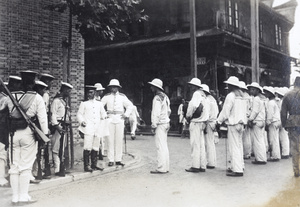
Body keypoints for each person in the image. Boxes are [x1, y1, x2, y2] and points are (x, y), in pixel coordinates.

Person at [0, 70, 48, 204]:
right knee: (26, 166)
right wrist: (44, 134)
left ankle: (15, 197)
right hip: (29, 134)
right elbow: (43, 119)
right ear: (33, 82)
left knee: (14, 166)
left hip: (13, 134)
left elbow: (3, 111)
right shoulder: (37, 97)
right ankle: (23, 196)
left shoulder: (9, 97)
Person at [217, 76, 247, 177]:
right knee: (239, 146)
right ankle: (240, 165)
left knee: (234, 147)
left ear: (231, 85)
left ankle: (237, 170)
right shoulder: (242, 96)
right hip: (241, 123)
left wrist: (219, 121)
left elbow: (226, 111)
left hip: (233, 124)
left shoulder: (231, 96)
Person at [101, 79, 133, 167]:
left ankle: (118, 159)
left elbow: (130, 106)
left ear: (118, 88)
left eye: (115, 87)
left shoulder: (122, 97)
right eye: (112, 87)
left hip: (119, 119)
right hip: (110, 119)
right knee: (110, 140)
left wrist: (126, 115)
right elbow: (100, 106)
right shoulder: (107, 97)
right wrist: (104, 114)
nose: (113, 89)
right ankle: (111, 159)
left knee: (119, 140)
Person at [77, 85, 107, 172]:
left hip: (97, 128)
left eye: (92, 92)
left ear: (95, 93)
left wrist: (104, 116)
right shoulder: (84, 104)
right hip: (88, 128)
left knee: (96, 146)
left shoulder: (99, 103)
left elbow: (103, 113)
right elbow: (79, 114)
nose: (90, 94)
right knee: (87, 146)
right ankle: (86, 166)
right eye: (88, 92)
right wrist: (82, 121)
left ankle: (94, 165)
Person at [185, 78, 209, 173]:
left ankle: (195, 166)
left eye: (192, 85)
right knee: (201, 145)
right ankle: (202, 165)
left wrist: (188, 116)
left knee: (195, 144)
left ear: (195, 86)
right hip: (203, 122)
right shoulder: (204, 95)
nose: (190, 87)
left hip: (196, 121)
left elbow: (193, 106)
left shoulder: (196, 94)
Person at [148, 78, 171, 174]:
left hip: (160, 124)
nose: (151, 87)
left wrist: (153, 125)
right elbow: (169, 111)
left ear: (155, 87)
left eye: (152, 86)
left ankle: (161, 167)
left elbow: (156, 113)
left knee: (160, 146)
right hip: (165, 122)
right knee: (164, 146)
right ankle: (166, 166)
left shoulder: (157, 98)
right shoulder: (165, 96)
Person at [50, 81, 73, 176]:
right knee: (55, 147)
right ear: (63, 90)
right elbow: (53, 114)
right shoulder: (56, 101)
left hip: (64, 126)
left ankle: (60, 168)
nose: (69, 93)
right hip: (58, 126)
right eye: (67, 91)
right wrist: (57, 126)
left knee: (62, 148)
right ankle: (57, 168)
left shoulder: (63, 101)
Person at [281, 77, 300, 177]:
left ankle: (296, 170)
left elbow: (283, 112)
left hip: (292, 122)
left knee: (295, 147)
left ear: (294, 83)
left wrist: (284, 124)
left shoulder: (287, 95)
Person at [39, 73, 55, 179]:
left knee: (45, 147)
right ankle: (42, 169)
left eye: (49, 82)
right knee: (42, 147)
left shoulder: (46, 93)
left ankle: (45, 169)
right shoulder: (43, 95)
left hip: (45, 121)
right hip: (42, 122)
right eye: (46, 81)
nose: (48, 84)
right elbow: (44, 111)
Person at [247, 82, 267, 165]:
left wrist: (250, 119)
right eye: (251, 89)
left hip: (257, 121)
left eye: (253, 89)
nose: (251, 91)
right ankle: (262, 157)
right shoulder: (261, 98)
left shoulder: (256, 99)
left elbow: (255, 111)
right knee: (260, 140)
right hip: (261, 121)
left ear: (257, 90)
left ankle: (260, 159)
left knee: (257, 141)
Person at [201, 84, 219, 169]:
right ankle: (212, 161)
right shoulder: (213, 100)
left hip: (208, 122)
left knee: (208, 143)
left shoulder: (206, 100)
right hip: (213, 121)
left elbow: (206, 113)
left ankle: (210, 162)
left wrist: (204, 123)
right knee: (211, 143)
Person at [263, 87, 281, 162]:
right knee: (275, 139)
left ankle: (274, 156)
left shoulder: (270, 103)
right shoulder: (274, 102)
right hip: (277, 121)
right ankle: (276, 155)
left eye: (267, 92)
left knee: (272, 140)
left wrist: (267, 123)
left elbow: (270, 115)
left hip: (273, 122)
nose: (265, 94)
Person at [275, 88, 290, 159]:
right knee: (284, 137)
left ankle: (285, 153)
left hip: (282, 119)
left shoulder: (281, 102)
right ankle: (285, 152)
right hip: (284, 119)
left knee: (283, 137)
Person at [239, 81, 252, 160]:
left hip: (243, 117)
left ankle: (246, 153)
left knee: (244, 137)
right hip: (247, 116)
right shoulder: (248, 97)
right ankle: (248, 152)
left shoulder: (243, 97)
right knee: (247, 136)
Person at [94, 83, 106, 160]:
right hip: (95, 120)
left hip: (101, 119)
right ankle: (96, 152)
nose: (101, 92)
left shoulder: (100, 99)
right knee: (97, 137)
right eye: (99, 91)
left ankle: (101, 152)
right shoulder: (94, 99)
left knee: (102, 137)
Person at [0, 83, 9, 187]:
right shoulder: (5, 99)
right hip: (2, 129)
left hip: (3, 128)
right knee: (2, 153)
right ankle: (1, 178)